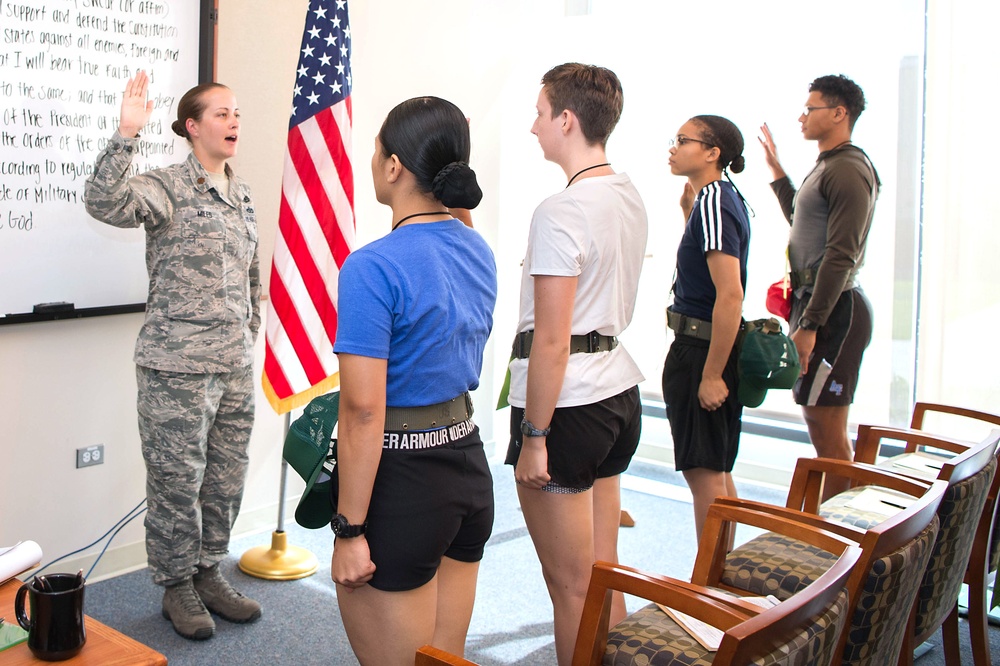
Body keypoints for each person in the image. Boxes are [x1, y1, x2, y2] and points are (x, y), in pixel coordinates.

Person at [83, 71, 261, 640]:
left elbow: (250, 273)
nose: (234, 122)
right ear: (192, 126)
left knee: (224, 480)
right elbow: (103, 201)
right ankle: (176, 586)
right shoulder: (166, 185)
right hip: (175, 367)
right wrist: (125, 135)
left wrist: (248, 332)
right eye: (221, 114)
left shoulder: (242, 192)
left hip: (232, 366)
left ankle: (209, 571)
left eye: (236, 113)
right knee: (175, 484)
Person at [329, 96, 497, 666]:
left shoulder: (372, 267)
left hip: (401, 483)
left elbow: (362, 413)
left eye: (377, 153)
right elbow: (450, 237)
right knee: (442, 658)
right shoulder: (478, 250)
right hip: (467, 470)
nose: (374, 162)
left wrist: (349, 530)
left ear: (394, 166)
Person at [505, 62, 647, 665]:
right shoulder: (628, 194)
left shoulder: (559, 211)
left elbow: (552, 342)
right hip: (618, 394)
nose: (533, 126)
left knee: (570, 589)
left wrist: (534, 436)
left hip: (568, 409)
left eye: (540, 113)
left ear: (566, 119)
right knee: (602, 573)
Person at [759, 74, 880, 499]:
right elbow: (801, 218)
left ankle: (844, 545)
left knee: (829, 433)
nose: (802, 117)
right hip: (816, 306)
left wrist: (810, 324)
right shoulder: (828, 166)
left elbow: (841, 255)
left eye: (810, 109)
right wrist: (777, 173)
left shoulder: (848, 169)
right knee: (818, 422)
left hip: (835, 312)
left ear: (839, 113)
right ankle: (841, 536)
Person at [662, 116, 751, 544]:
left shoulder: (714, 199)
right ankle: (723, 581)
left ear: (713, 153)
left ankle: (711, 592)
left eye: (683, 140)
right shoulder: (714, 199)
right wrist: (687, 215)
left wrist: (712, 374)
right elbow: (703, 272)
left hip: (701, 349)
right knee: (715, 471)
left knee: (706, 478)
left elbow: (729, 294)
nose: (673, 147)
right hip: (702, 343)